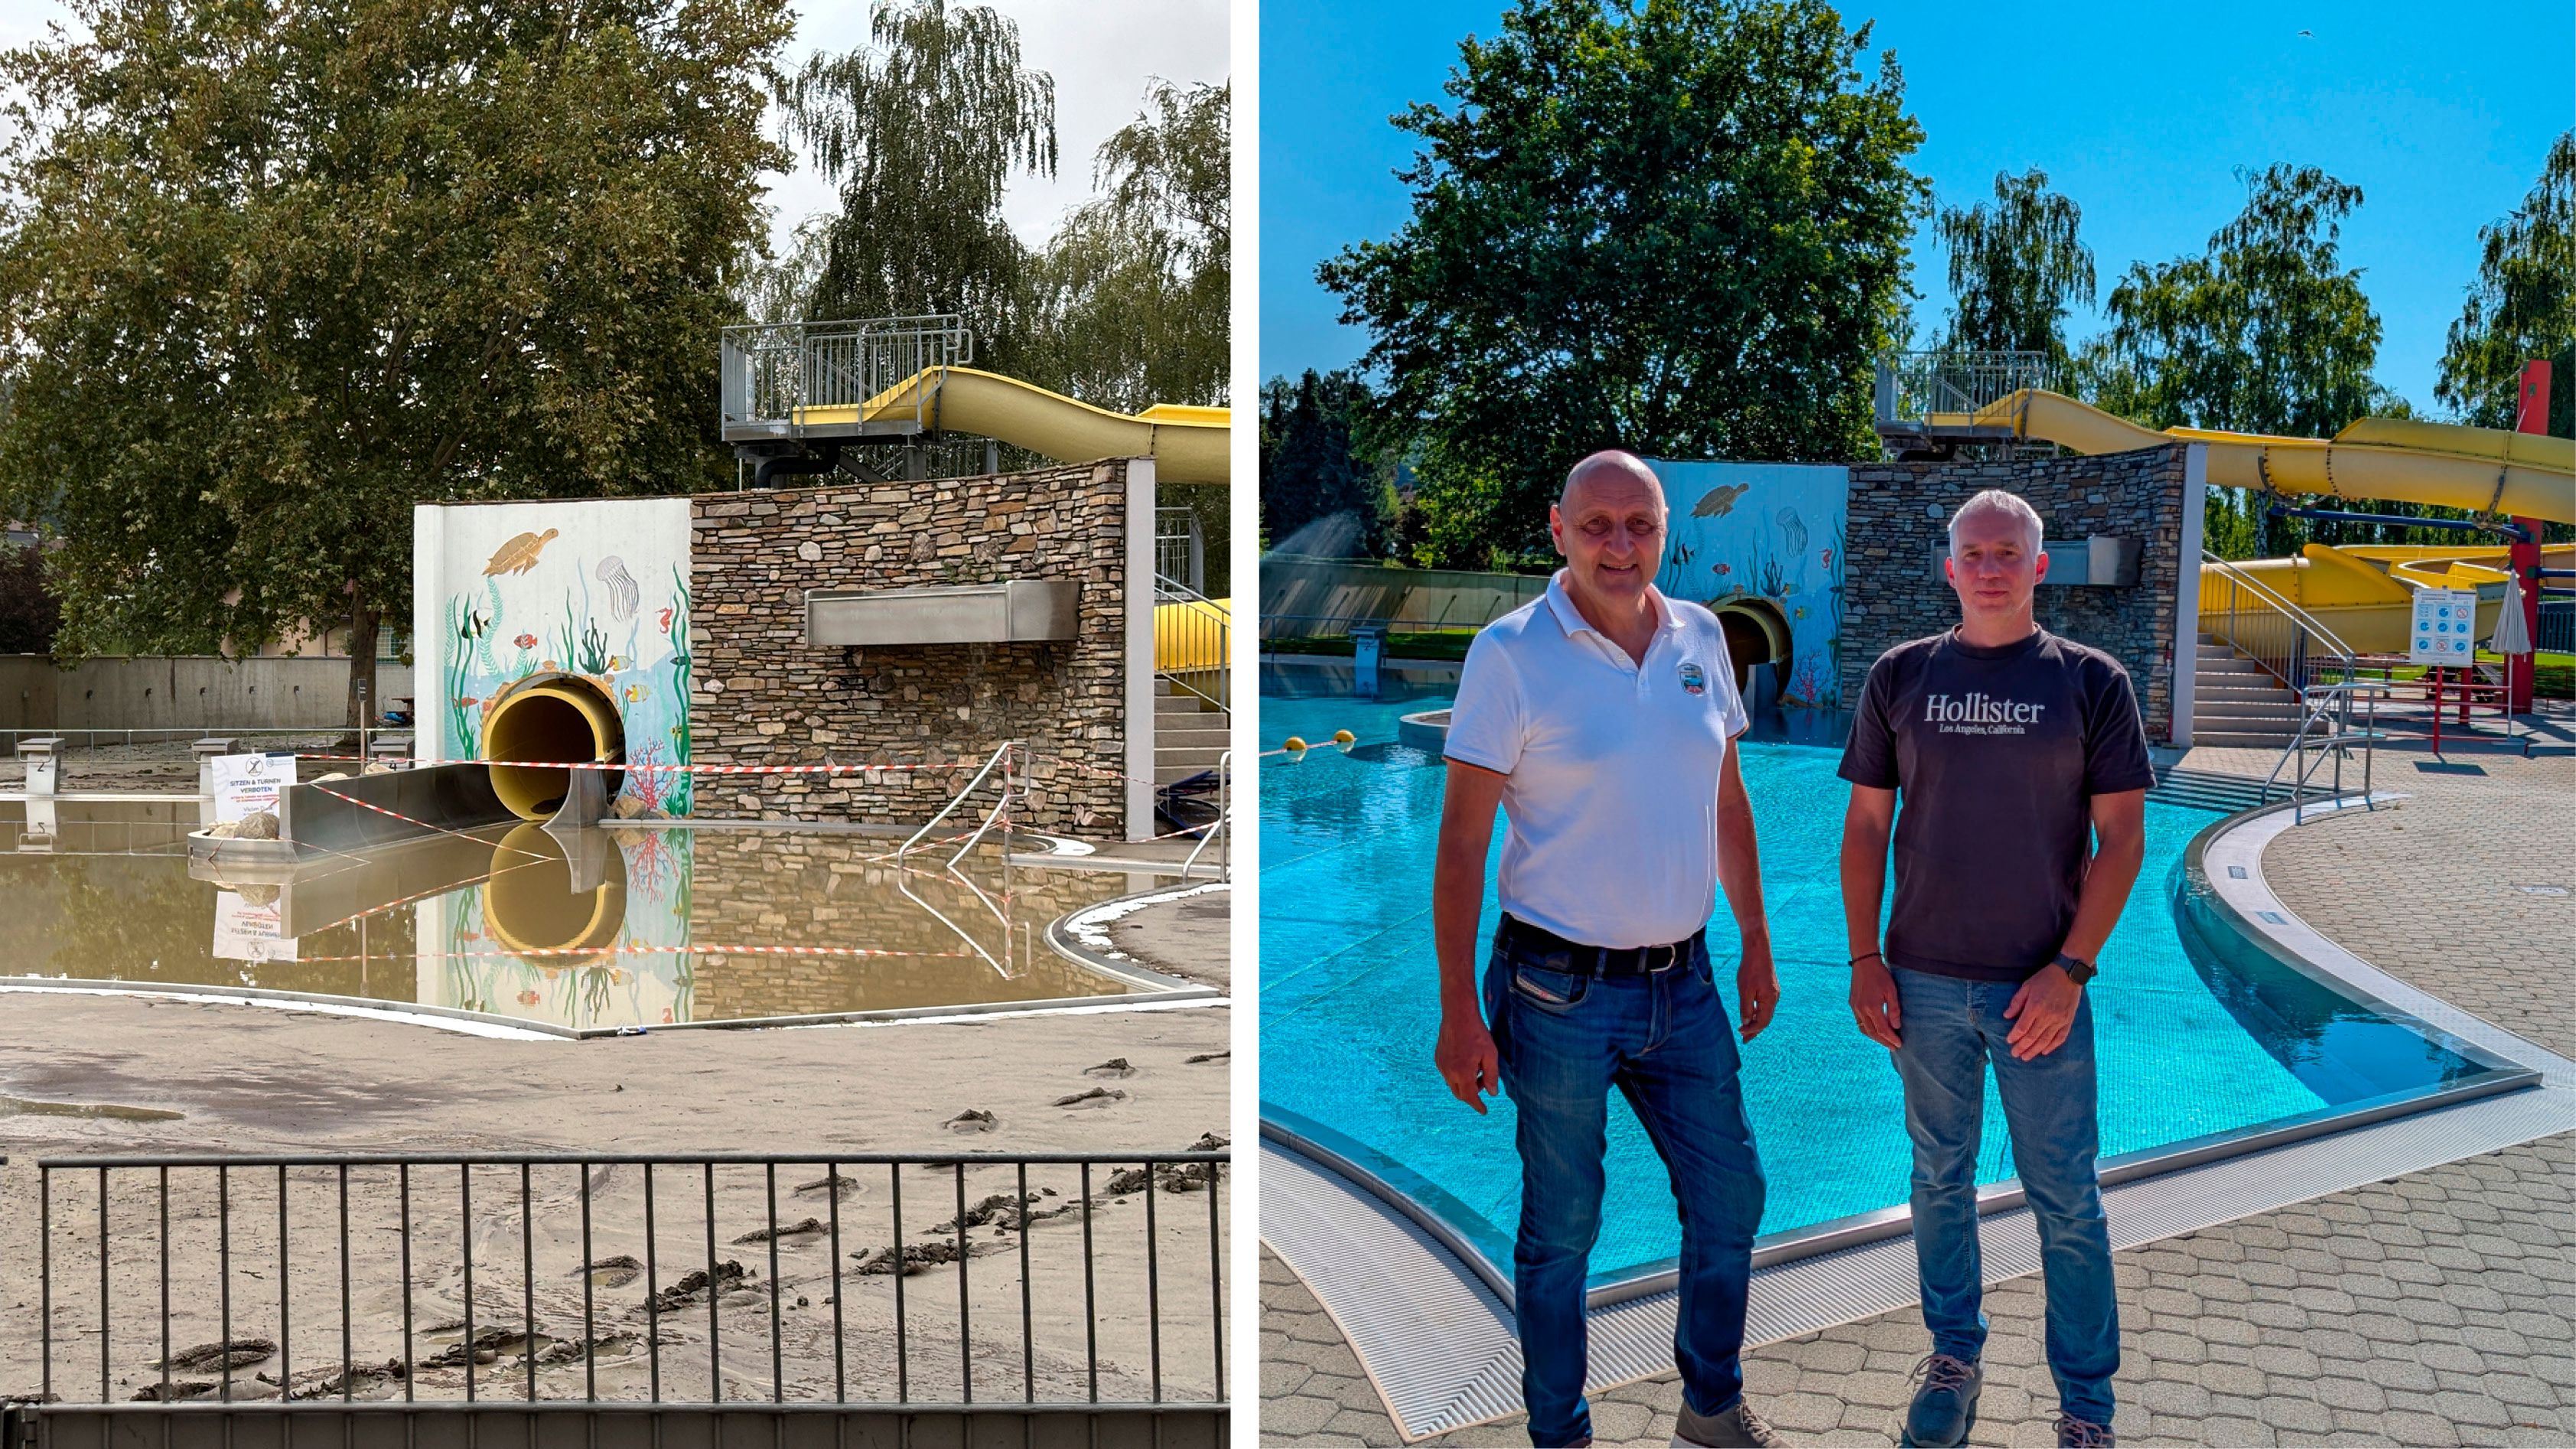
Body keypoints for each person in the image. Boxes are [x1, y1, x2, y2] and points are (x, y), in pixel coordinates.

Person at [1432, 450, 1784, 1449]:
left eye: (1638, 524)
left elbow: (1724, 796)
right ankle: (1559, 1431)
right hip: (1553, 991)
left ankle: (1707, 1403)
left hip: (1686, 979)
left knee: (1731, 1194)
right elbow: (1461, 841)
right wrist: (1458, 1008)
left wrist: (1755, 935)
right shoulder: (1508, 654)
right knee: (1563, 1227)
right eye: (1596, 525)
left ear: (1664, 529)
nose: (1619, 545)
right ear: (1557, 529)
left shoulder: (1702, 636)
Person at [1836, 489, 2154, 1449]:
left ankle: (2085, 1407)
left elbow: (2124, 838)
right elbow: (1862, 827)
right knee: (1938, 1178)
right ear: (1948, 567)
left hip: (2038, 989)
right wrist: (1862, 958)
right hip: (1924, 982)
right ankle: (1953, 1355)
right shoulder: (1900, 676)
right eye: (1971, 551)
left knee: (2065, 1195)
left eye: (2006, 551)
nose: (1987, 566)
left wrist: (2071, 969)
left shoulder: (2091, 681)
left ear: (2037, 566)